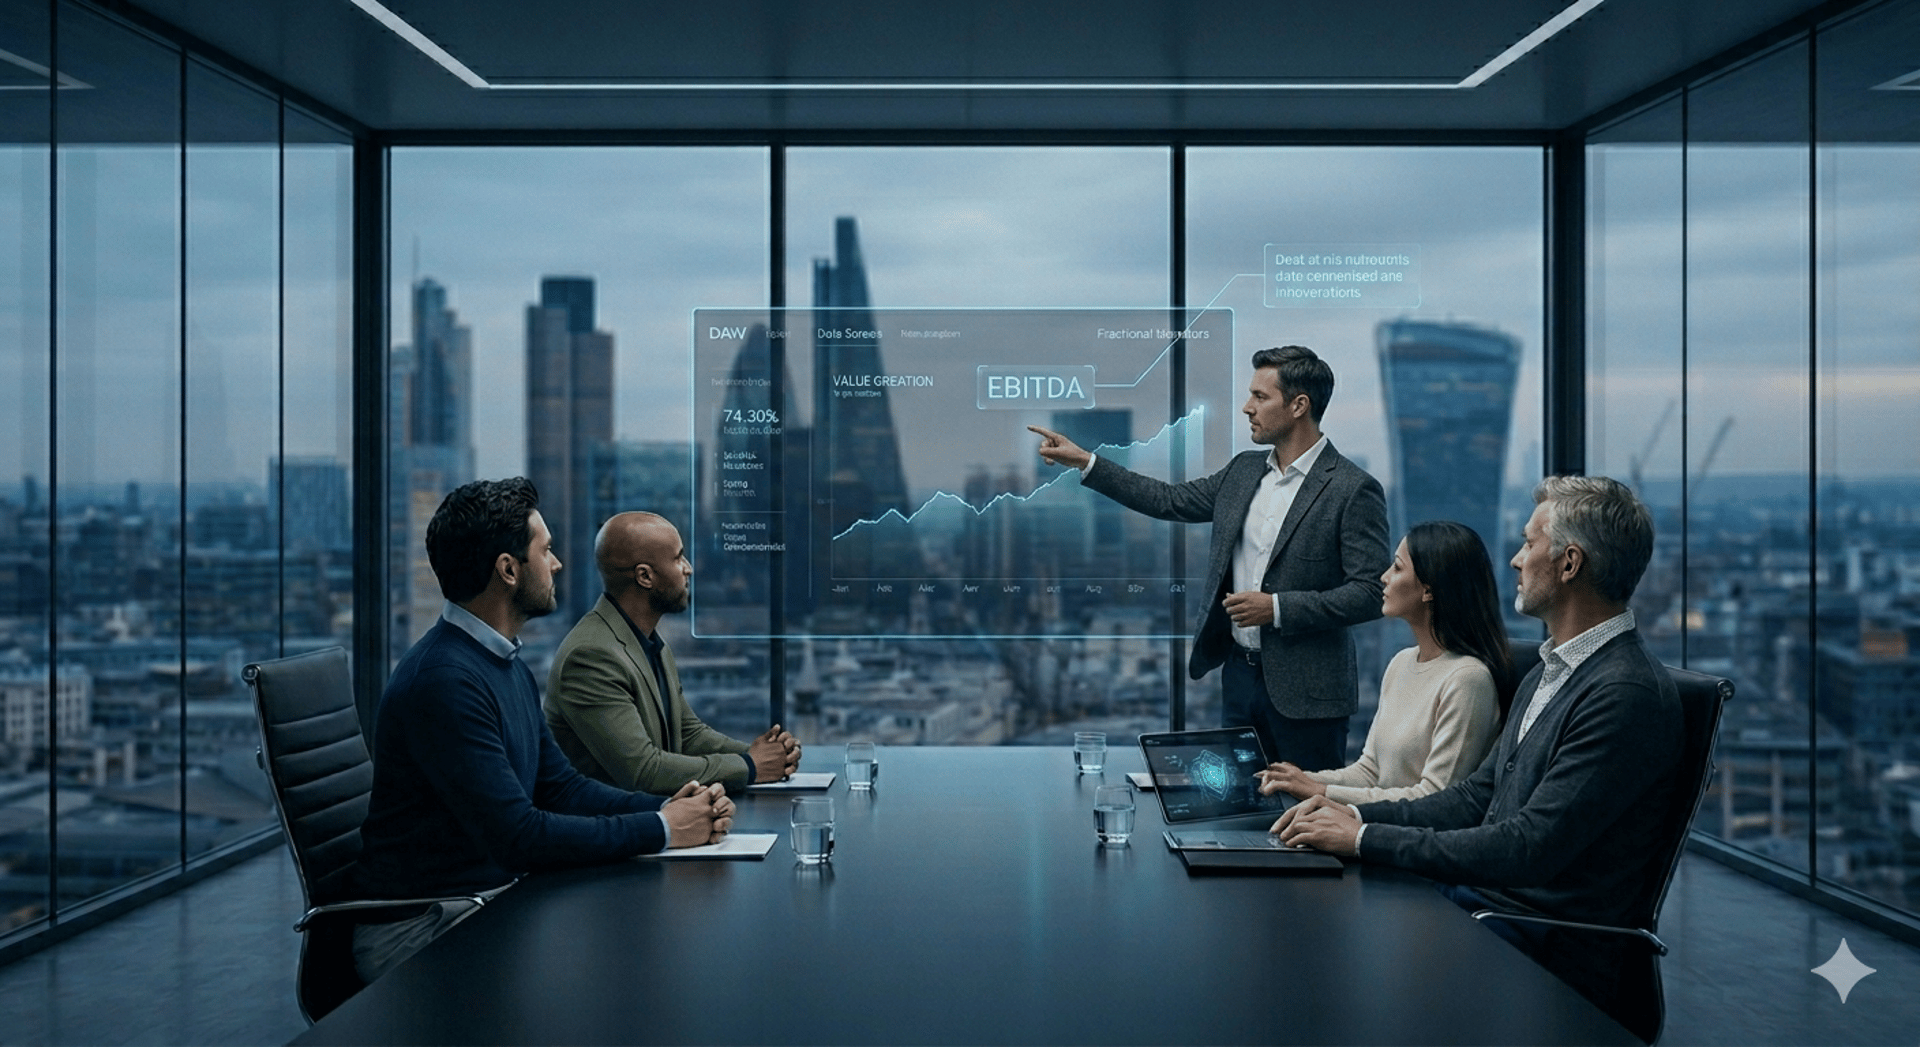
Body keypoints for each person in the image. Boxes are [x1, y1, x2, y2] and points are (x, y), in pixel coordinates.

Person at [1273, 475, 1682, 1019]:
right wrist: (1346, 815)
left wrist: (1365, 836)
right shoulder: (1548, 673)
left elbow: (1529, 847)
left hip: (1544, 947)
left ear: (1569, 564)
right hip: (1484, 908)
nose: (1515, 559)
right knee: (1300, 919)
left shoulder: (1624, 694)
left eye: (1529, 543)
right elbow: (1472, 799)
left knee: (1312, 963)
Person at [352, 479, 733, 985]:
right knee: (629, 969)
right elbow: (519, 836)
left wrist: (670, 809)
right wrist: (664, 830)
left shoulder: (502, 662)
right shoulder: (444, 682)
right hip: (425, 928)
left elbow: (560, 787)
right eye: (546, 550)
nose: (556, 564)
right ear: (509, 570)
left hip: (483, 900)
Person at [1030, 345, 1389, 770]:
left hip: (1309, 695)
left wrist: (1276, 608)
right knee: (1236, 808)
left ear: (1298, 406)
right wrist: (1086, 462)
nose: (1246, 407)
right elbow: (1168, 500)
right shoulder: (1243, 472)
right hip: (1238, 678)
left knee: (1305, 822)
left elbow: (1370, 593)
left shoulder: (1352, 488)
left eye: (1260, 397)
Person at [1256, 520, 1512, 806]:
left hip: (1414, 842)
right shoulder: (1401, 663)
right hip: (1382, 828)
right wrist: (1300, 780)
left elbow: (1436, 798)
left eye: (1398, 567)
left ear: (1429, 590)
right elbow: (1370, 772)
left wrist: (1321, 792)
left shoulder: (1468, 680)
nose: (1384, 577)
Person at [545, 511, 800, 795]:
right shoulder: (591, 656)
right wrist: (750, 766)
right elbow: (644, 771)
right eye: (678, 558)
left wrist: (766, 755)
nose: (688, 568)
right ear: (645, 576)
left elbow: (686, 733)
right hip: (610, 831)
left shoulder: (649, 641)